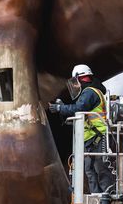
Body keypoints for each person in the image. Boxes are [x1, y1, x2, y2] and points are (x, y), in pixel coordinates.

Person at [49, 64, 115, 194]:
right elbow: (78, 111)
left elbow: (79, 108)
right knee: (90, 170)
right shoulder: (89, 92)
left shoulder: (90, 92)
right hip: (91, 138)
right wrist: (63, 108)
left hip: (98, 137)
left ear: (79, 78)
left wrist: (60, 108)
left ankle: (108, 195)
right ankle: (97, 196)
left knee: (100, 168)